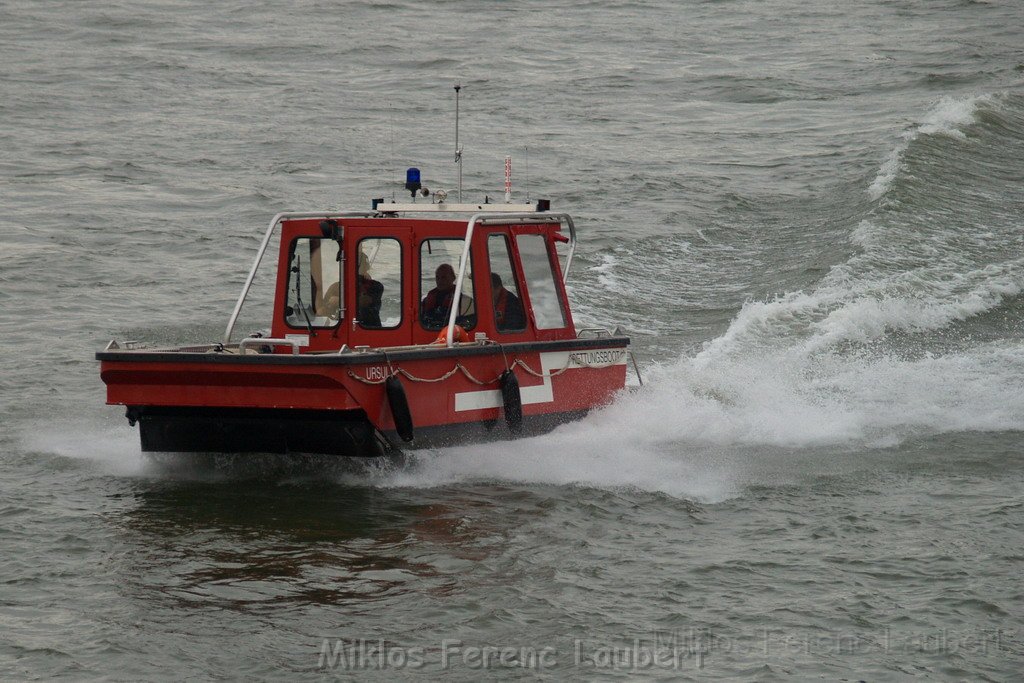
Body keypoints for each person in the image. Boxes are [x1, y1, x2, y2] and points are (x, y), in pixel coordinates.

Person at [320, 252, 383, 326]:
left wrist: (340, 301)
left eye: (359, 266)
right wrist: (328, 307)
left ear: (366, 268)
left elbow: (366, 301)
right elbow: (322, 310)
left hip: (370, 329)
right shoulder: (335, 287)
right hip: (342, 329)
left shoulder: (375, 286)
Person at [420, 263, 474, 328]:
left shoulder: (465, 302)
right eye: (437, 277)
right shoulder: (427, 299)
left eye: (444, 277)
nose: (440, 281)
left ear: (453, 278)